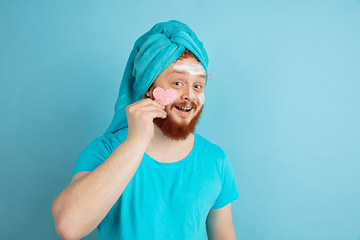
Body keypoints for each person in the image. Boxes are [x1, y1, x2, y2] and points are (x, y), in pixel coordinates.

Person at [52, 20, 239, 240]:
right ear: (149, 89)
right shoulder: (103, 151)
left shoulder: (216, 160)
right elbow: (69, 227)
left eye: (198, 85)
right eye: (178, 83)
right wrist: (136, 141)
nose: (190, 94)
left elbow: (224, 235)